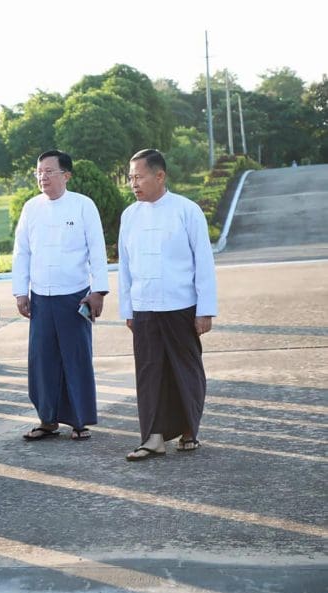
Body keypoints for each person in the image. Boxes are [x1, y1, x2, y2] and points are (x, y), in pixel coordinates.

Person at [118, 149, 217, 460]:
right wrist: (128, 309)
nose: (133, 183)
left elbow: (204, 262)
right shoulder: (129, 215)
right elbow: (125, 267)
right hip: (144, 306)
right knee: (149, 374)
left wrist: (205, 309)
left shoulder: (186, 210)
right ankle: (153, 438)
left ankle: (188, 431)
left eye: (139, 177)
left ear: (159, 176)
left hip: (180, 306)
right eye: (130, 178)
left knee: (185, 371)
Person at [12, 150, 110, 442]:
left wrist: (98, 291)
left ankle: (79, 420)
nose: (43, 177)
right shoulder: (31, 207)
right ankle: (47, 419)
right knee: (42, 360)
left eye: (49, 171)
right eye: (39, 172)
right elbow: (21, 252)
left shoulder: (83, 205)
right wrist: (20, 292)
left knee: (75, 358)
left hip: (74, 296)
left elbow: (97, 250)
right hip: (41, 297)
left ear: (66, 175)